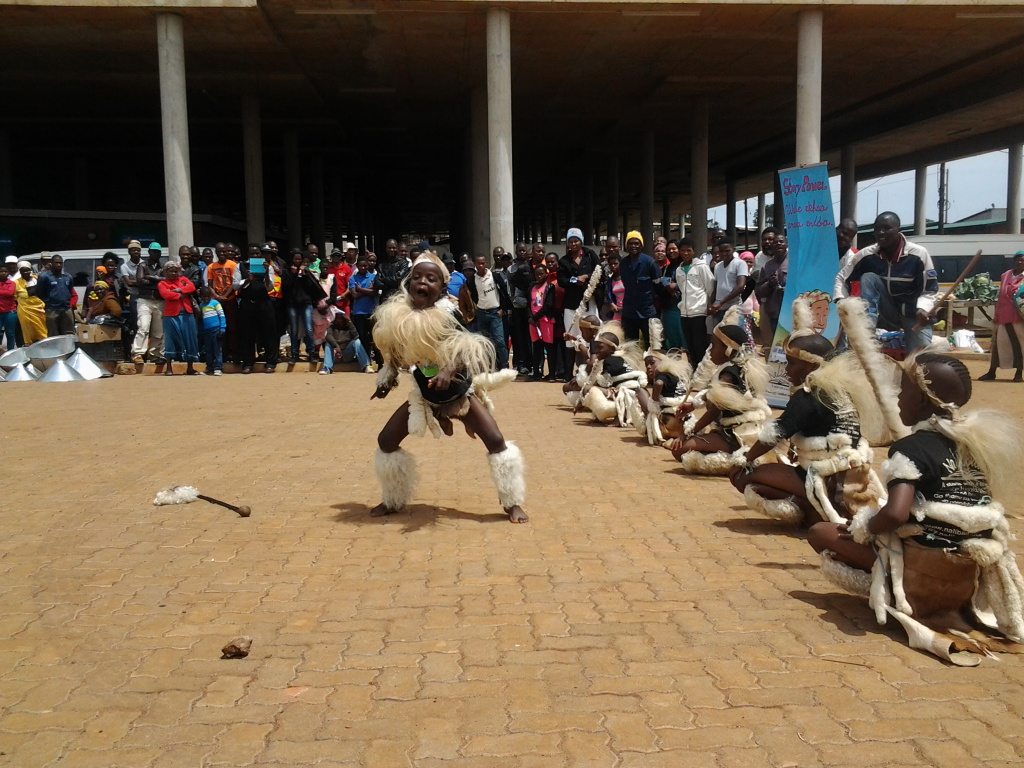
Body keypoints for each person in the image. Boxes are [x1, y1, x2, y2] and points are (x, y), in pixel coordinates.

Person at [807, 351, 1024, 664]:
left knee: (821, 533)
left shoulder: (911, 448)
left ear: (923, 401)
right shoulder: (980, 445)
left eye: (904, 390)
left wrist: (863, 527)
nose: (897, 397)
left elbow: (895, 514)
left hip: (922, 571)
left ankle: (892, 591)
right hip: (965, 577)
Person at [369, 251, 528, 524]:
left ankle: (512, 502)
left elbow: (465, 348)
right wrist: (386, 379)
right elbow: (393, 352)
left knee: (496, 441)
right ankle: (393, 499)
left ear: (442, 288)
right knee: (386, 442)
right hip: (425, 395)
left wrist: (447, 371)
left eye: (431, 279)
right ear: (409, 284)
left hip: (458, 393)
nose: (423, 283)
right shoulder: (398, 316)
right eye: (417, 277)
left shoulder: (448, 313)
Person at [730, 302, 884, 526]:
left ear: (811, 367)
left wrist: (744, 459)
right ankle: (816, 508)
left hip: (827, 480)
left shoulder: (809, 395)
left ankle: (812, 511)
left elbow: (775, 433)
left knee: (746, 475)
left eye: (791, 364)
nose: (786, 370)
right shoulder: (844, 391)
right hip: (854, 478)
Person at [668, 308, 771, 474]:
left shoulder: (728, 374)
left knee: (679, 450)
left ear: (728, 350)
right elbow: (712, 394)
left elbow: (713, 411)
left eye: (714, 345)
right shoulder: (739, 367)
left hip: (735, 434)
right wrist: (693, 405)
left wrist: (687, 434)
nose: (709, 351)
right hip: (747, 431)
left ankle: (736, 460)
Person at [835, 211, 938, 353]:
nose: (881, 233)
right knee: (869, 278)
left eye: (886, 228)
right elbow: (841, 277)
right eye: (877, 229)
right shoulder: (867, 255)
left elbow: (930, 290)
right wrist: (841, 301)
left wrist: (924, 309)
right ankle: (867, 332)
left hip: (912, 313)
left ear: (899, 231)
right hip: (886, 311)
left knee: (921, 359)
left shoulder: (918, 255)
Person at [575, 321, 646, 428]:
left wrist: (581, 401)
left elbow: (601, 384)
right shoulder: (617, 359)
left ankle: (620, 416)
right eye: (596, 348)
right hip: (633, 395)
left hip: (629, 395)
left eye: (600, 347)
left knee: (588, 389)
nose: (597, 351)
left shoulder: (611, 361)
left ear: (611, 349)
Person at [979, 250, 1024, 382]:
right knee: (999, 345)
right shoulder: (1006, 275)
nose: (1020, 262)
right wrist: (997, 315)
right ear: (1014, 261)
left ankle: (1019, 373)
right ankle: (992, 372)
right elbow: (1001, 296)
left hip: (1019, 317)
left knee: (1020, 345)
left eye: (1023, 260)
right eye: (1018, 260)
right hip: (1004, 315)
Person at [557, 228, 602, 354]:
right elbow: (561, 280)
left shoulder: (590, 255)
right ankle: (571, 370)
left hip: (589, 302)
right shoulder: (564, 261)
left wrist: (586, 277)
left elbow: (599, 271)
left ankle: (592, 362)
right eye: (570, 241)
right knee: (572, 338)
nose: (573, 244)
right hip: (572, 305)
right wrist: (575, 280)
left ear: (581, 241)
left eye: (576, 241)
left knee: (593, 333)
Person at [237, 247, 280, 374]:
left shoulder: (268, 267)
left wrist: (266, 272)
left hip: (264, 303)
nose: (255, 255)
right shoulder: (241, 266)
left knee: (269, 334)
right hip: (247, 304)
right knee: (247, 335)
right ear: (248, 254)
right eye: (252, 253)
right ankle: (248, 364)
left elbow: (269, 287)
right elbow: (235, 285)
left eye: (257, 253)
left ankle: (271, 363)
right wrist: (247, 280)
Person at [280, 249, 327, 363]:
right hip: (292, 304)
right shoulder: (286, 271)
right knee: (294, 329)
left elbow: (312, 287)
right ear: (292, 259)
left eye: (300, 259)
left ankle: (311, 354)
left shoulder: (306, 271)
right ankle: (294, 354)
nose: (298, 261)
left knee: (309, 328)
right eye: (296, 259)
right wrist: (293, 274)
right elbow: (285, 287)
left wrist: (304, 274)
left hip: (306, 303)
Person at [676, 237, 714, 365]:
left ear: (694, 251)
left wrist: (708, 305)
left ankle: (702, 373)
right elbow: (682, 289)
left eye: (689, 250)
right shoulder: (679, 269)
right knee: (689, 346)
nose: (685, 253)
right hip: (685, 314)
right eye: (683, 250)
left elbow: (710, 287)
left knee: (700, 346)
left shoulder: (701, 266)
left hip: (699, 313)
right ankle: (693, 372)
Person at [618, 230, 660, 347]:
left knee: (652, 347)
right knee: (630, 348)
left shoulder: (650, 263)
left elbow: (659, 286)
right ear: (626, 246)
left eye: (636, 243)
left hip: (647, 313)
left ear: (641, 245)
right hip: (629, 313)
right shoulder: (623, 263)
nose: (633, 246)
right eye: (630, 243)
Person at [157, 261, 199, 375]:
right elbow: (166, 295)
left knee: (189, 339)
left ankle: (190, 368)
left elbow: (192, 287)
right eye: (171, 271)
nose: (174, 274)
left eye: (176, 271)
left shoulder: (183, 279)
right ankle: (169, 368)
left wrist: (178, 290)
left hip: (187, 313)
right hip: (171, 315)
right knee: (170, 340)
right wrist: (180, 295)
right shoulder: (162, 283)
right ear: (166, 272)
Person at [466, 254, 507, 370]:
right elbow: (474, 296)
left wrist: (502, 309)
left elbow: (504, 292)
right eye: (479, 263)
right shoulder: (473, 280)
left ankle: (504, 365)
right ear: (475, 265)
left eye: (483, 263)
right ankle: (489, 366)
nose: (481, 265)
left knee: (499, 341)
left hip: (495, 313)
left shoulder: (494, 276)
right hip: (482, 313)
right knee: (485, 342)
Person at [129, 245, 165, 363]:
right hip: (145, 300)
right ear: (149, 252)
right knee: (143, 326)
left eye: (158, 252)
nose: (156, 254)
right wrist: (157, 280)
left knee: (158, 331)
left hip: (159, 301)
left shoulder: (162, 267)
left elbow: (165, 281)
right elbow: (140, 281)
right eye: (154, 251)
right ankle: (137, 353)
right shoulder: (143, 265)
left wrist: (150, 278)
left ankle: (154, 354)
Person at [206, 243, 239, 363]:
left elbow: (234, 283)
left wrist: (225, 296)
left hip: (230, 301)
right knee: (220, 329)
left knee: (233, 329)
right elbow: (209, 285)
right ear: (216, 252)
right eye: (219, 251)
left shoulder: (233, 265)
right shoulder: (211, 267)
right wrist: (217, 296)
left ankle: (235, 355)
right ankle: (223, 356)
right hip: (217, 303)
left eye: (224, 251)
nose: (222, 253)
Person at [754, 234, 788, 344]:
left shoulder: (795, 263)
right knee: (778, 344)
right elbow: (759, 291)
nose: (778, 244)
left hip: (791, 311)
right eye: (776, 242)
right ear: (772, 247)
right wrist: (769, 284)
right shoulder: (767, 266)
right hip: (775, 313)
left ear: (786, 245)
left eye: (781, 242)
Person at [31, 254, 77, 337]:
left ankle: (68, 349)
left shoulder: (67, 276)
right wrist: (48, 302)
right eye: (56, 263)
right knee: (53, 334)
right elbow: (39, 292)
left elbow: (70, 290)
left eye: (60, 263)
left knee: (69, 333)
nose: (59, 265)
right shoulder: (44, 276)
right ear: (51, 263)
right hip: (51, 310)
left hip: (66, 309)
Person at [708, 240, 748, 327]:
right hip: (718, 309)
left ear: (733, 250)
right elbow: (716, 288)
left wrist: (721, 302)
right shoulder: (718, 266)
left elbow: (740, 287)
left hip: (733, 308)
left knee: (732, 338)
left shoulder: (740, 263)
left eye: (727, 251)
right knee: (718, 337)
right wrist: (711, 304)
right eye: (721, 251)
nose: (724, 254)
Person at [348, 255, 378, 366]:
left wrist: (360, 289)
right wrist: (367, 290)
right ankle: (365, 361)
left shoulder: (373, 277)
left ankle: (374, 359)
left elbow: (374, 292)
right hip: (359, 312)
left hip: (371, 311)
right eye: (361, 266)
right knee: (362, 336)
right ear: (357, 266)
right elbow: (354, 295)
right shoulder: (352, 278)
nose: (363, 268)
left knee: (373, 336)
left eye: (365, 265)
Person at [528, 264, 557, 381]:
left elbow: (549, 305)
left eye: (541, 274)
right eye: (537, 274)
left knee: (549, 347)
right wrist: (531, 317)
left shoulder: (550, 287)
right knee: (536, 347)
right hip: (533, 322)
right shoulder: (531, 287)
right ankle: (536, 373)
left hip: (545, 320)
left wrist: (536, 317)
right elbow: (528, 303)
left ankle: (552, 374)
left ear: (546, 274)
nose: (539, 276)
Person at [657, 240, 685, 351]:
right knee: (672, 341)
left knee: (685, 340)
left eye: (674, 248)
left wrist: (676, 286)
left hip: (683, 309)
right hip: (669, 308)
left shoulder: (686, 266)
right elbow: (662, 284)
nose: (671, 251)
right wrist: (669, 288)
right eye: (669, 249)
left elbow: (692, 282)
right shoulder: (666, 268)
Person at [14, 261, 46, 345]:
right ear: (20, 272)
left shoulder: (37, 279)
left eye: (27, 270)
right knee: (27, 328)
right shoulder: (16, 283)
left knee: (41, 328)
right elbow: (14, 297)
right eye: (23, 271)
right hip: (25, 310)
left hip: (39, 309)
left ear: (30, 270)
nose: (25, 273)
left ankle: (42, 343)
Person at [198, 286, 225, 376]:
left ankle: (218, 367)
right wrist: (201, 331)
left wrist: (222, 328)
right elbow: (201, 319)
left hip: (216, 330)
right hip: (207, 331)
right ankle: (209, 368)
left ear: (210, 296)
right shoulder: (201, 306)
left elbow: (222, 315)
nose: (206, 298)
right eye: (204, 297)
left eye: (207, 296)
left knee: (217, 350)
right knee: (208, 350)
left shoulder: (215, 303)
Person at [376, 238, 410, 305]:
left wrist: (384, 279)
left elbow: (399, 280)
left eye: (394, 248)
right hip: (385, 300)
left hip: (399, 299)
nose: (392, 250)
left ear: (397, 249)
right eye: (389, 248)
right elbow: (377, 284)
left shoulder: (403, 263)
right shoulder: (381, 265)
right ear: (386, 249)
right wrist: (393, 283)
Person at [0, 264, 17, 350]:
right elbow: (6, 293)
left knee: (10, 333)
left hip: (10, 312)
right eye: (1, 271)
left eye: (5, 271)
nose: (3, 273)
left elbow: (10, 293)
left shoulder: (12, 283)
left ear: (8, 273)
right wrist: (4, 292)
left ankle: (10, 352)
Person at [604, 253, 623, 322]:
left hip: (628, 311)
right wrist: (611, 303)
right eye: (610, 264)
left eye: (615, 264)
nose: (613, 266)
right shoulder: (610, 281)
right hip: (617, 312)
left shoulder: (626, 278)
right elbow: (609, 296)